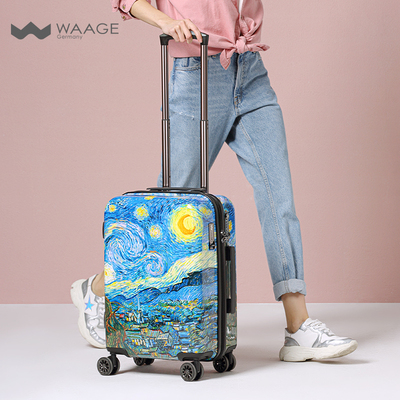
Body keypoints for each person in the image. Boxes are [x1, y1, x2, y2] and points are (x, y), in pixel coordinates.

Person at [71, 0, 358, 362]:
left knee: (279, 200)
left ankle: (298, 327)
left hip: (249, 69)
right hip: (197, 73)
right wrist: (165, 21)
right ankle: (99, 288)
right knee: (170, 210)